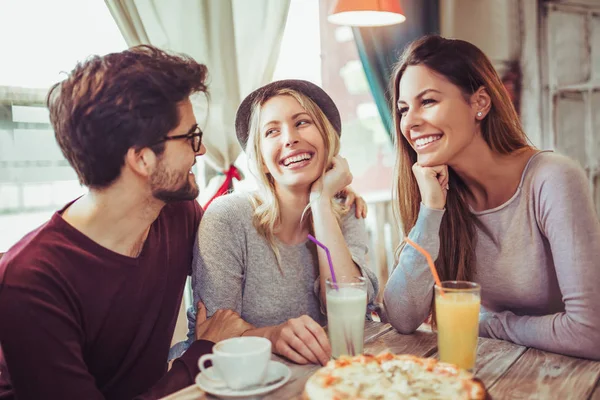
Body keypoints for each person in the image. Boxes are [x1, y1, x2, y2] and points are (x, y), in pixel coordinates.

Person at [0, 45, 253, 400]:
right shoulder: (32, 280)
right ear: (142, 159)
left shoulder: (176, 214)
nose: (202, 151)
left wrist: (319, 196)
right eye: (191, 137)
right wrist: (202, 352)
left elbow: (244, 236)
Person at [383, 35, 600, 360]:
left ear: (479, 103)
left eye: (427, 101)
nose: (410, 122)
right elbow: (401, 318)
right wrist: (430, 212)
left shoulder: (553, 179)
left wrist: (489, 323)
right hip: (500, 370)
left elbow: (589, 333)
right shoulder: (438, 192)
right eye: (403, 109)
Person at [183, 80, 379, 366]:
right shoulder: (227, 218)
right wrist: (271, 336)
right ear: (261, 159)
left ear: (328, 139)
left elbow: (350, 314)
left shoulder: (344, 211)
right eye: (272, 131)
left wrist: (321, 201)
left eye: (302, 122)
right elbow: (212, 337)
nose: (289, 138)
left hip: (325, 381)